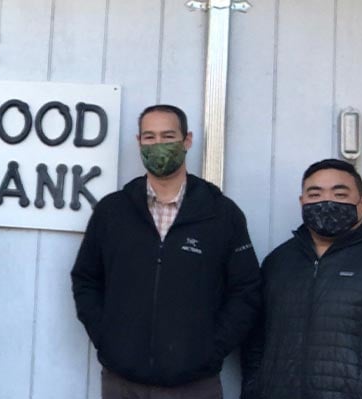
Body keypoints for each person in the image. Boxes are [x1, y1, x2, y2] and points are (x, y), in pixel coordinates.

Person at [71, 104, 261, 398]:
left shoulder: (221, 213)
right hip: (122, 382)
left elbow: (246, 290)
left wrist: (211, 349)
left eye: (168, 136)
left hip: (195, 384)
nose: (158, 144)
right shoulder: (112, 211)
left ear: (187, 140)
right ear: (139, 142)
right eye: (150, 137)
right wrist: (107, 338)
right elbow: (86, 279)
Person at [240, 159, 362, 399]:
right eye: (315, 194)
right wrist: (255, 387)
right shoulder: (280, 261)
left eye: (340, 193)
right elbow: (256, 338)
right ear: (302, 202)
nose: (327, 202)